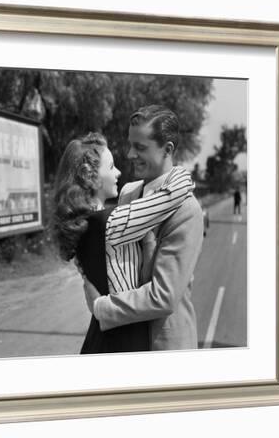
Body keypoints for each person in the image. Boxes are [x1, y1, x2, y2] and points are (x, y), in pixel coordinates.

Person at [51, 132, 194, 353]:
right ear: (90, 175)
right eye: (111, 167)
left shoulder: (82, 225)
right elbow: (172, 194)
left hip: (101, 337)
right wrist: (177, 169)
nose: (118, 172)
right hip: (123, 342)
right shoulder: (112, 222)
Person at [81, 105, 204, 350]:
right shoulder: (127, 193)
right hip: (122, 339)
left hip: (162, 347)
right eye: (130, 145)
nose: (129, 154)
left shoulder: (186, 211)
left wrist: (102, 307)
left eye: (140, 147)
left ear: (167, 149)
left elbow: (164, 296)